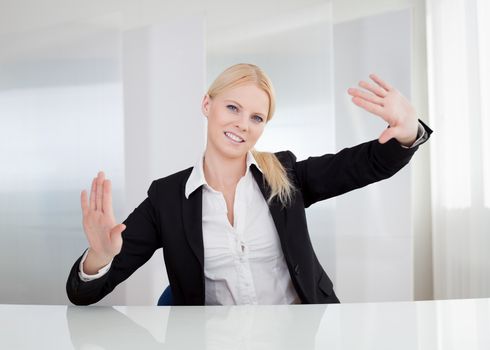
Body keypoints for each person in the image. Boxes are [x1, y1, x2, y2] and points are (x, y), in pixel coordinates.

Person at [66, 63, 432, 306]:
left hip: (299, 336)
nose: (243, 124)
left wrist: (408, 131)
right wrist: (99, 256)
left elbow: (359, 165)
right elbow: (83, 294)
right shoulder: (167, 198)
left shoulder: (284, 174)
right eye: (232, 108)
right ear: (207, 105)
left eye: (256, 117)